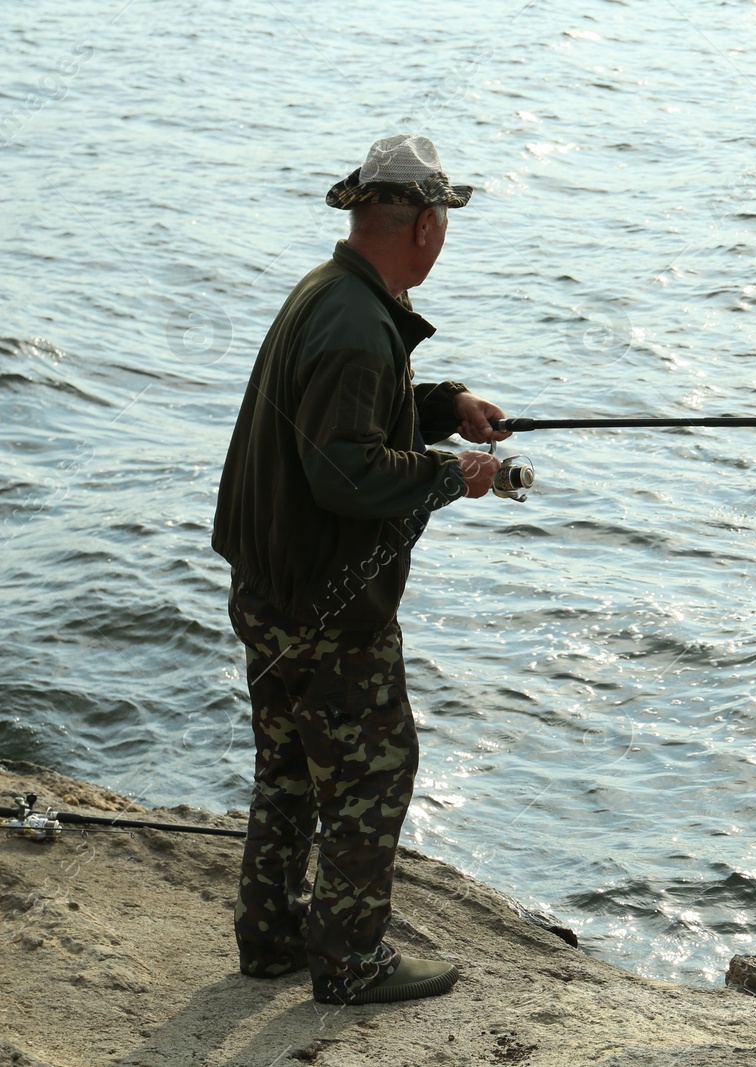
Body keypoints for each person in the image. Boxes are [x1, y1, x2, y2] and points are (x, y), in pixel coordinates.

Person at [211, 134, 507, 1005]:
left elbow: (341, 424)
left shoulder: (335, 294)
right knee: (376, 769)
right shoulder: (355, 323)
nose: (444, 233)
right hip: (326, 609)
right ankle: (350, 960)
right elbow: (344, 473)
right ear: (423, 223)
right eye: (443, 218)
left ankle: (269, 939)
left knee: (290, 767)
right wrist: (451, 474)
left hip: (272, 590)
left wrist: (443, 404)